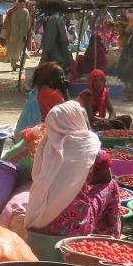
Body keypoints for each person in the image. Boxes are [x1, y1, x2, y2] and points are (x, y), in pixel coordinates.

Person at [25, 101, 121, 238]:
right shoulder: (88, 144)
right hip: (76, 227)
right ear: (78, 120)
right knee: (112, 186)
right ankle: (110, 236)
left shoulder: (45, 146)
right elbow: (106, 178)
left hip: (37, 221)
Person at [40, 6, 74, 73]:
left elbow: (49, 40)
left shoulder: (52, 19)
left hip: (55, 57)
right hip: (61, 56)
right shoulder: (58, 18)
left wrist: (44, 55)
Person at [3, 0, 31, 71]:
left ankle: (14, 65)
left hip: (12, 35)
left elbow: (7, 23)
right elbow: (27, 25)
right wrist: (26, 34)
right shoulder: (25, 12)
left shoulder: (12, 11)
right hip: (22, 36)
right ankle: (21, 65)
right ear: (24, 2)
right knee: (23, 51)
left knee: (13, 50)